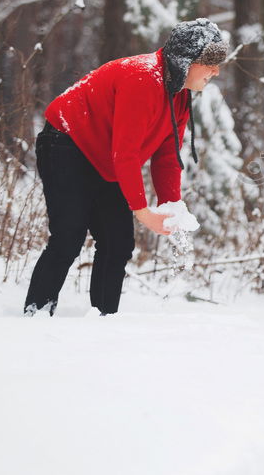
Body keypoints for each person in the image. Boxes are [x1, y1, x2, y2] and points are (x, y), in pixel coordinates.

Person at [23, 18, 228, 316]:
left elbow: (167, 155)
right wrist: (143, 211)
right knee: (69, 236)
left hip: (107, 159)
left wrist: (171, 206)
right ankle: (36, 314)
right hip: (66, 144)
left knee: (118, 243)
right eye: (209, 62)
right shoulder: (142, 78)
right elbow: (127, 152)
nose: (216, 71)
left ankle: (104, 319)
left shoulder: (179, 94)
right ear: (185, 61)